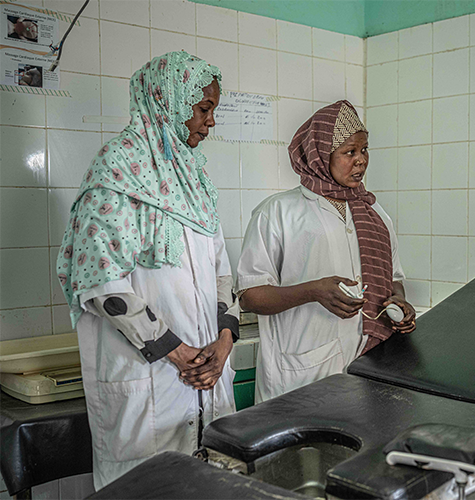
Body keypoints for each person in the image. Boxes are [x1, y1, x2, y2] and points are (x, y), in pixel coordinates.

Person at [56, 51, 238, 490]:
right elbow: (100, 284)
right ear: (170, 102)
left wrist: (224, 341)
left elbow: (222, 271)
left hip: (207, 377)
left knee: (213, 485)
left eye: (213, 109)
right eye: (204, 108)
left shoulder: (195, 180)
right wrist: (179, 353)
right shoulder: (117, 171)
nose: (210, 121)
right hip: (150, 381)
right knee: (148, 489)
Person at [236, 100, 416, 403]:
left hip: (368, 369)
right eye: (349, 152)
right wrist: (312, 292)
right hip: (299, 376)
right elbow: (250, 296)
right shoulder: (278, 212)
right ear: (321, 155)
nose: (360, 161)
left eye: (364, 150)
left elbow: (393, 277)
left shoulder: (375, 214)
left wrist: (398, 301)